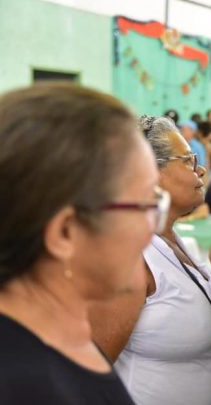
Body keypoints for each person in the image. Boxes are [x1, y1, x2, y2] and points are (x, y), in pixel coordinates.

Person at [0, 83, 161, 403]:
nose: (150, 231)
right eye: (144, 205)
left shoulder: (66, 341)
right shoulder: (24, 384)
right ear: (66, 233)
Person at [89, 116, 211, 405]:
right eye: (189, 161)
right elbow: (90, 377)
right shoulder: (130, 260)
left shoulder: (179, 243)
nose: (201, 170)